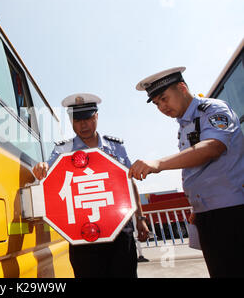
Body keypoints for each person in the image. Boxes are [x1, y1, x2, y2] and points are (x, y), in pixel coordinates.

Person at [129, 67, 244, 278]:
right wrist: (199, 204)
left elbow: (212, 147)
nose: (162, 107)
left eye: (164, 98)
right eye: (156, 104)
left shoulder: (212, 109)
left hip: (232, 212)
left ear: (182, 88)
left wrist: (158, 163)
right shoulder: (184, 124)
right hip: (208, 213)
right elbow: (199, 168)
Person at [33, 93, 149, 278]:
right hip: (82, 233)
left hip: (119, 228)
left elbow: (129, 183)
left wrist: (140, 218)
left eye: (88, 118)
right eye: (77, 120)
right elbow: (49, 172)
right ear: (71, 121)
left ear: (96, 116)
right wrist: (43, 167)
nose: (83, 125)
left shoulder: (115, 147)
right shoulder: (63, 149)